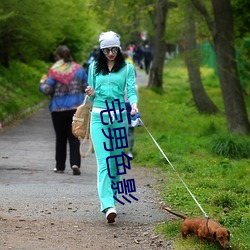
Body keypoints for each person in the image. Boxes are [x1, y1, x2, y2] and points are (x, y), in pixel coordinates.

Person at [85, 31, 138, 223]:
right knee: (104, 162)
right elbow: (91, 96)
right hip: (99, 117)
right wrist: (90, 92)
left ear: (119, 48)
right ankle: (108, 205)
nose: (110, 53)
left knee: (115, 163)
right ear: (101, 50)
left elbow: (131, 90)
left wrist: (133, 104)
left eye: (113, 49)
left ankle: (112, 197)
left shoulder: (127, 68)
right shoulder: (93, 68)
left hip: (118, 117)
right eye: (106, 50)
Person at [39, 45, 88, 175]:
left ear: (58, 57)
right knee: (73, 137)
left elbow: (47, 90)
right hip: (75, 109)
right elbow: (86, 87)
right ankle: (75, 163)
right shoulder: (79, 70)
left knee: (60, 138)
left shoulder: (54, 71)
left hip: (58, 109)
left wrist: (42, 83)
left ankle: (60, 166)